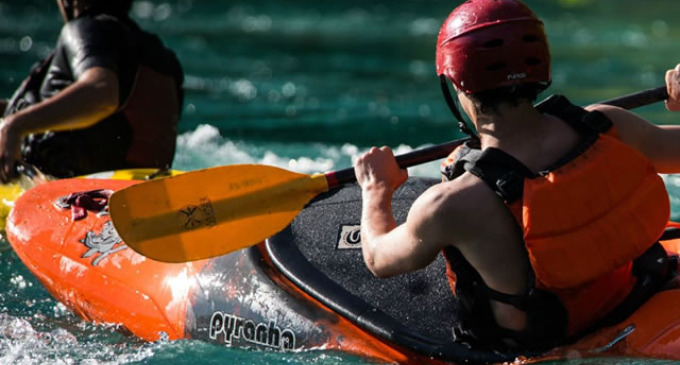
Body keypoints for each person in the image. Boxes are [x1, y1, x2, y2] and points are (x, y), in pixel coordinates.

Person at [354, 0, 680, 353]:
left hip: (548, 342)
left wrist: (375, 190)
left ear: (455, 82)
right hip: (634, 293)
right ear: (541, 65)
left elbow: (377, 259)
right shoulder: (608, 126)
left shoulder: (452, 204)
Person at [0, 0, 184, 181]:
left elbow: (101, 93)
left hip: (72, 197)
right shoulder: (155, 53)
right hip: (141, 188)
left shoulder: (85, 29)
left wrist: (15, 126)